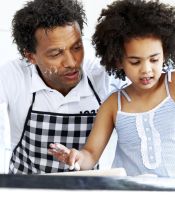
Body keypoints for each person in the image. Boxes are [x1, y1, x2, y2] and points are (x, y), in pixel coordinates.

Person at [49, 0, 175, 177]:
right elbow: (90, 154)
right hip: (137, 194)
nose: (146, 69)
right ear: (118, 61)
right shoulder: (114, 104)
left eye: (154, 59)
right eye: (135, 62)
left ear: (166, 52)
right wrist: (76, 158)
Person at [0, 0, 124, 174]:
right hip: (25, 188)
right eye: (56, 53)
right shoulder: (13, 76)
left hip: (85, 190)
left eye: (77, 47)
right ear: (30, 57)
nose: (72, 62)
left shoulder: (102, 76)